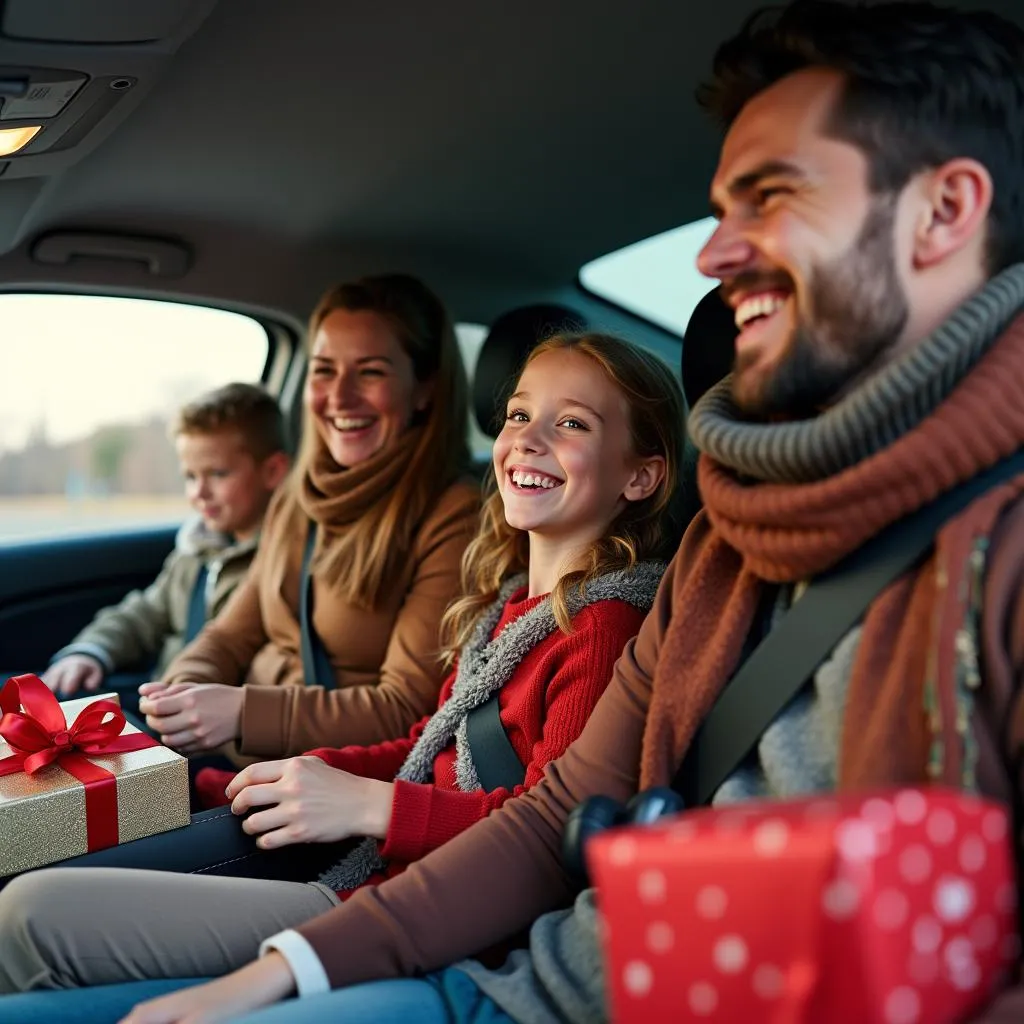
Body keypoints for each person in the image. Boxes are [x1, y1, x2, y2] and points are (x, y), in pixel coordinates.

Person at [11, 0, 1017, 1021]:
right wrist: (280, 973)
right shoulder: (726, 545)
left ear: (944, 210)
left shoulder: (988, 556)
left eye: (769, 195)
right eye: (719, 207)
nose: (714, 256)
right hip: (504, 972)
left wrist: (333, 824)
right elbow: (549, 823)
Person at [0, 331, 687, 1019]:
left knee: (31, 916)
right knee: (29, 907)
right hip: (370, 869)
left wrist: (365, 803)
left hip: (412, 910)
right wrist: (302, 775)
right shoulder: (505, 605)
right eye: (518, 415)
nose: (529, 439)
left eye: (571, 423)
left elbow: (541, 834)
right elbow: (426, 749)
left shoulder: (604, 632)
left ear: (642, 475)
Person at [133, 274, 480, 765]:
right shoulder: (300, 492)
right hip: (231, 761)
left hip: (317, 791)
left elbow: (407, 709)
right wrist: (184, 690)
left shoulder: (453, 514)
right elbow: (233, 632)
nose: (339, 397)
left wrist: (240, 713)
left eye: (370, 372)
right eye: (323, 370)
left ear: (424, 389)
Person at [41, 382, 290, 717]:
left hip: (205, 723)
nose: (199, 492)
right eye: (190, 476)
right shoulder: (197, 550)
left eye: (218, 473)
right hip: (157, 694)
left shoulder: (281, 562)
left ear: (273, 471)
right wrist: (91, 651)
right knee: (30, 697)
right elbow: (145, 615)